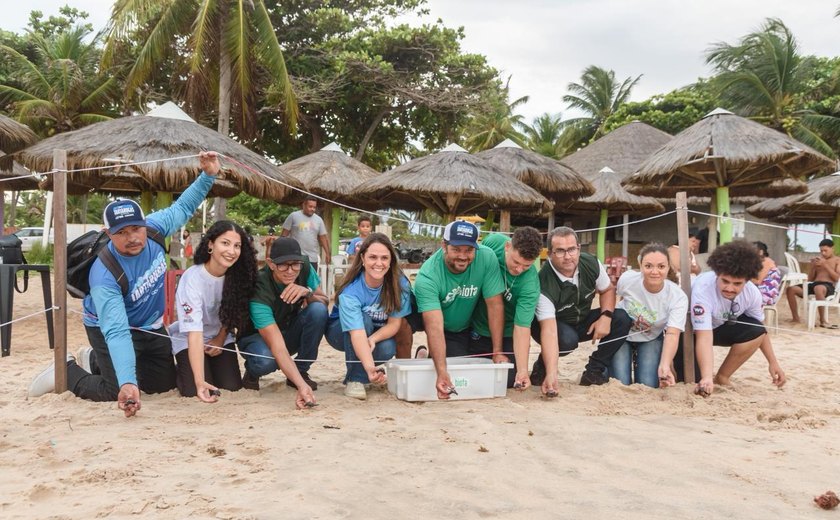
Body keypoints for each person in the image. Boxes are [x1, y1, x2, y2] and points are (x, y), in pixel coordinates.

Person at [28, 152, 221, 417]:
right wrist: (127, 383)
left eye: (135, 229)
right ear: (108, 234)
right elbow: (117, 332)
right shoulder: (103, 274)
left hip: (152, 327)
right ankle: (66, 369)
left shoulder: (155, 228)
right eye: (121, 232)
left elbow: (183, 208)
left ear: (144, 224)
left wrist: (208, 175)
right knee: (115, 390)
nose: (132, 238)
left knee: (161, 385)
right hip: (109, 327)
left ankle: (94, 359)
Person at [413, 220, 505, 399]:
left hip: (474, 324)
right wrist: (441, 373)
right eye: (456, 249)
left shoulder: (487, 257)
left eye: (469, 250)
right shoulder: (427, 276)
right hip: (446, 328)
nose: (463, 256)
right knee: (453, 368)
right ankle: (426, 356)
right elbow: (434, 326)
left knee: (493, 374)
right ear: (444, 246)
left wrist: (497, 351)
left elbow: (495, 305)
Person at [168, 220, 257, 402]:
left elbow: (232, 314)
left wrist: (220, 339)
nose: (231, 251)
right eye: (225, 243)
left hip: (220, 338)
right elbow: (194, 332)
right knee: (195, 390)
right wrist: (200, 382)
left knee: (231, 386)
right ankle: (179, 368)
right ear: (211, 244)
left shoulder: (238, 276)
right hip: (190, 337)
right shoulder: (192, 278)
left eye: (237, 246)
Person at [531, 226, 632, 386]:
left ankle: (593, 371)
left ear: (578, 249)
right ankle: (542, 367)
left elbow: (607, 290)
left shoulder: (590, 262)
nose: (567, 256)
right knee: (567, 340)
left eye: (571, 249)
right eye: (560, 251)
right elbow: (549, 330)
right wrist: (552, 374)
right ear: (550, 254)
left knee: (621, 318)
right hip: (551, 326)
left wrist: (605, 317)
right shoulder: (543, 282)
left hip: (582, 319)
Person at [236, 237, 329, 409]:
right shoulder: (259, 287)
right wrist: (303, 387)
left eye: (295, 264)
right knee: (266, 361)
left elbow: (324, 300)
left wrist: (307, 293)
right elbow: (277, 345)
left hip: (288, 329)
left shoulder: (304, 267)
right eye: (283, 265)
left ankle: (300, 370)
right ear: (271, 264)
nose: (290, 271)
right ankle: (252, 371)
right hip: (258, 337)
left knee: (318, 310)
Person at [688, 241, 786, 396]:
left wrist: (773, 363)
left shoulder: (752, 293)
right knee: (689, 380)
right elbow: (704, 336)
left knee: (755, 329)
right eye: (725, 281)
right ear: (717, 274)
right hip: (690, 333)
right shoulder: (703, 289)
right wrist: (707, 377)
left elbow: (760, 330)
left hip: (719, 326)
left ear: (747, 281)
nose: (729, 288)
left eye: (737, 283)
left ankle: (723, 376)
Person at [470, 227, 559, 395]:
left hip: (508, 332)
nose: (519, 270)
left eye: (526, 265)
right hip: (478, 325)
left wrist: (523, 370)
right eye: (516, 262)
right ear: (507, 247)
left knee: (509, 379)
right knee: (469, 372)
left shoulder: (530, 284)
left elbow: (522, 327)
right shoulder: (493, 242)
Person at [326, 233, 411, 400]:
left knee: (388, 347)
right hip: (340, 332)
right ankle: (355, 379)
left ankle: (362, 372)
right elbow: (357, 333)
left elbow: (394, 324)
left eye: (384, 258)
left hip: (374, 330)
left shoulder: (400, 284)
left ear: (391, 261)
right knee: (364, 319)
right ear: (363, 259)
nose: (379, 263)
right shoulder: (351, 291)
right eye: (373, 257)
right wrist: (371, 369)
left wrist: (372, 339)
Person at [609, 243, 688, 388]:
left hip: (650, 337)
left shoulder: (677, 296)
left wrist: (665, 365)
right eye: (649, 266)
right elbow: (616, 299)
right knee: (620, 382)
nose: (654, 272)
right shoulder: (627, 280)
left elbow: (672, 334)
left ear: (668, 267)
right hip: (622, 335)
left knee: (648, 384)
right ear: (640, 265)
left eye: (661, 266)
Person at [785, 239, 840, 327]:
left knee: (818, 288)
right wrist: (813, 267)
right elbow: (810, 279)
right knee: (790, 289)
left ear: (832, 248)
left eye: (825, 250)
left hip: (828, 286)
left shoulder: (837, 260)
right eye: (821, 251)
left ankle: (823, 320)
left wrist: (825, 265)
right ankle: (795, 318)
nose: (823, 253)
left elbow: (837, 278)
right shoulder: (819, 260)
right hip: (814, 284)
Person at [281, 196, 330, 271]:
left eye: (314, 207)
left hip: (312, 258)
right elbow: (284, 235)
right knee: (295, 281)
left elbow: (323, 237)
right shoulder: (293, 216)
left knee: (310, 282)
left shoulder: (319, 220)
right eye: (310, 206)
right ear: (304, 205)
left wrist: (327, 253)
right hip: (295, 257)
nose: (312, 209)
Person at [752, 241, 781, 306]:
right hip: (759, 292)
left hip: (766, 295)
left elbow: (758, 281)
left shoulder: (766, 261)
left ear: (761, 252)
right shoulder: (758, 262)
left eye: (753, 249)